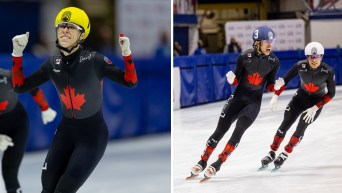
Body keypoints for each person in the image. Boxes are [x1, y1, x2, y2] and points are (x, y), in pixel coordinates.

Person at [10, 7, 137, 193]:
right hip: (65, 133)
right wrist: (17, 54)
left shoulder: (95, 61)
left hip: (92, 137)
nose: (64, 30)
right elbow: (20, 86)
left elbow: (130, 81)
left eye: (71, 27)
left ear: (82, 34)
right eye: (61, 26)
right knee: (47, 187)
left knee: (63, 190)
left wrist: (127, 54)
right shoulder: (52, 65)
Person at [187, 26, 280, 181]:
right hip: (237, 99)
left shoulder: (274, 62)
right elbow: (236, 80)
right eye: (266, 41)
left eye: (272, 41)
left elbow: (269, 85)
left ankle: (217, 164)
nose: (270, 44)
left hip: (253, 104)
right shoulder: (244, 57)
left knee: (238, 131)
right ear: (257, 43)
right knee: (219, 131)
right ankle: (203, 161)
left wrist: (275, 88)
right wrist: (232, 80)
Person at [260, 42, 335, 170]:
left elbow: (331, 93)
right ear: (307, 57)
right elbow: (284, 80)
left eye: (317, 57)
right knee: (284, 126)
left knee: (301, 128)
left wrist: (316, 107)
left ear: (322, 57)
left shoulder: (328, 71)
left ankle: (285, 153)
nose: (314, 60)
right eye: (311, 57)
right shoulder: (300, 66)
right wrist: (276, 95)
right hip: (299, 99)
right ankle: (271, 152)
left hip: (315, 103)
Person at [0, 68, 56, 193]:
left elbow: (31, 86)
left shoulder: (7, 77)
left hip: (17, 124)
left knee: (9, 171)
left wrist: (45, 108)